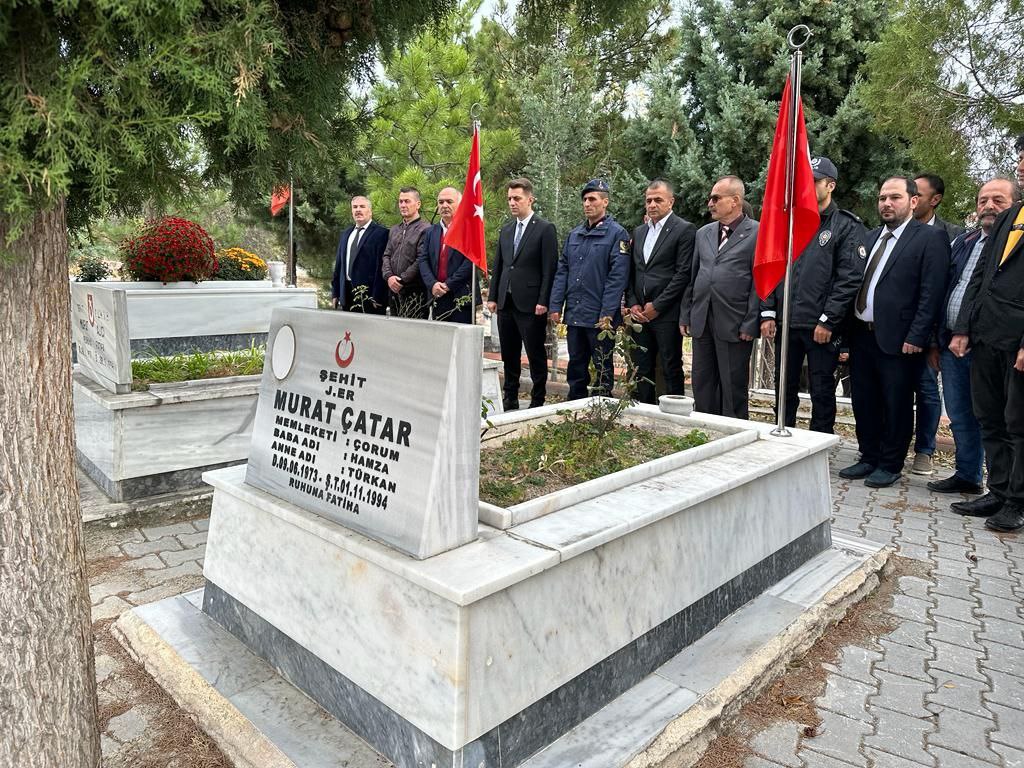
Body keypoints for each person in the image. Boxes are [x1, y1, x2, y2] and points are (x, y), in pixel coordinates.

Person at [839, 177, 950, 488]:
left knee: (896, 402)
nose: (887, 203)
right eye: (882, 198)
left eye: (895, 197)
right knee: (865, 400)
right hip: (862, 334)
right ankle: (868, 456)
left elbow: (931, 292)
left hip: (900, 339)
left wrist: (917, 336)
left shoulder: (929, 238)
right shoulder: (871, 237)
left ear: (913, 201)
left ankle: (890, 463)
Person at [949, 136, 1024, 531]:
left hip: (1017, 341)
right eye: (1021, 158)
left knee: (1018, 423)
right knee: (990, 417)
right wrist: (964, 328)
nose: (1022, 165)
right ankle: (997, 490)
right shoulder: (1011, 218)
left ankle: (1017, 501)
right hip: (986, 337)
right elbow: (980, 276)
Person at [760, 157, 866, 433]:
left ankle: (819, 440)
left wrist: (828, 320)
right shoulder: (790, 222)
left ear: (830, 185)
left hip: (820, 326)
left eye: (814, 181)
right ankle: (783, 435)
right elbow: (773, 266)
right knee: (784, 386)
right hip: (787, 321)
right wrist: (768, 312)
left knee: (821, 388)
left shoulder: (846, 225)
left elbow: (848, 278)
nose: (806, 187)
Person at [930, 178, 1019, 498]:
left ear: (1015, 206)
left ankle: (1005, 490)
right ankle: (968, 474)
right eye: (983, 200)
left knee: (999, 419)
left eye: (998, 200)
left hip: (992, 346)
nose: (988, 206)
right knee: (960, 415)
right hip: (953, 344)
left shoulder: (1012, 246)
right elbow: (944, 288)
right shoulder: (964, 241)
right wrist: (937, 339)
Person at [680, 175, 760, 419]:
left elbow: (760, 283)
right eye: (710, 198)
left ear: (735, 200)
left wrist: (751, 322)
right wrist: (686, 313)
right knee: (702, 381)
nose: (710, 203)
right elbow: (694, 276)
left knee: (732, 385)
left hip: (735, 321)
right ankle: (704, 428)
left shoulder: (758, 233)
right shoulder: (703, 233)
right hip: (702, 318)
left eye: (716, 198)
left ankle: (735, 430)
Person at [548, 179, 630, 400]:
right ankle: (575, 406)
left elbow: (617, 277)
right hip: (575, 313)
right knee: (576, 365)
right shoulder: (575, 235)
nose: (587, 204)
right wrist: (555, 305)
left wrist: (607, 313)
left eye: (592, 199)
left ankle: (602, 407)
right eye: (584, 199)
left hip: (599, 317)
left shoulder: (617, 234)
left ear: (605, 202)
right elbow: (562, 271)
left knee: (603, 366)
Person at [910, 173, 965, 474]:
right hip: (897, 328)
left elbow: (945, 288)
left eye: (918, 193)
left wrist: (933, 339)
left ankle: (924, 451)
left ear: (935, 199)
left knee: (927, 389)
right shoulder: (896, 231)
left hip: (932, 330)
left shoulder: (954, 236)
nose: (912, 198)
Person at [487, 178, 558, 410]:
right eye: (509, 198)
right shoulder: (507, 230)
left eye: (517, 198)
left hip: (531, 303)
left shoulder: (544, 229)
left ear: (530, 199)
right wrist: (493, 296)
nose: (512, 202)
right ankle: (510, 396)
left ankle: (538, 398)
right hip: (506, 302)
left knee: (535, 353)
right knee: (509, 353)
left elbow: (549, 269)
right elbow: (499, 265)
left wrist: (544, 300)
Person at [625, 179, 696, 404]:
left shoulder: (684, 229)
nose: (652, 205)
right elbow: (633, 271)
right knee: (641, 366)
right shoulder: (639, 232)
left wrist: (657, 306)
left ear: (671, 201)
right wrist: (633, 302)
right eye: (648, 200)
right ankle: (644, 411)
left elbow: (683, 274)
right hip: (640, 314)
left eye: (658, 200)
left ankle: (675, 412)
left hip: (666, 312)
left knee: (670, 365)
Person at [418, 187, 476, 324]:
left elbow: (470, 262)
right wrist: (432, 284)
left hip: (461, 296)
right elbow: (423, 259)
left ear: (460, 204)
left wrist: (448, 285)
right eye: (441, 202)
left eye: (449, 202)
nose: (444, 205)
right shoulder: (430, 231)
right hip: (438, 295)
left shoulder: (470, 230)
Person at [330, 196, 389, 313]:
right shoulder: (346, 234)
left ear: (370, 211)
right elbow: (339, 266)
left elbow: (381, 267)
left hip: (369, 297)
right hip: (346, 295)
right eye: (355, 207)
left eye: (362, 207)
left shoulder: (381, 233)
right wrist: (335, 293)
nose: (358, 210)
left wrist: (377, 295)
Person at [381, 187, 431, 318]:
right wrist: (389, 276)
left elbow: (421, 259)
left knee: (414, 329)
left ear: (418, 204)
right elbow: (386, 255)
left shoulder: (426, 229)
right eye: (400, 201)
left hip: (415, 292)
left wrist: (402, 280)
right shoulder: (394, 230)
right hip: (393, 292)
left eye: (407, 201)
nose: (403, 205)